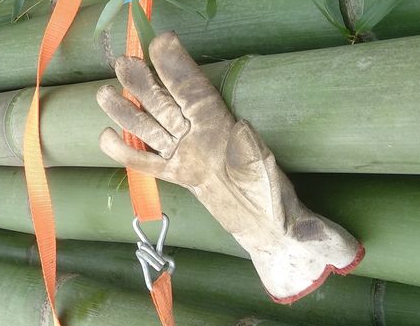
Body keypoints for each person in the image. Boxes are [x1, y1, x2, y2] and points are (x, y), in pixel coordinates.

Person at [96, 31, 364, 303]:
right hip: (278, 249)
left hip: (277, 250)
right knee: (188, 95)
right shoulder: (289, 236)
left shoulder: (286, 236)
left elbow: (292, 230)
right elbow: (295, 231)